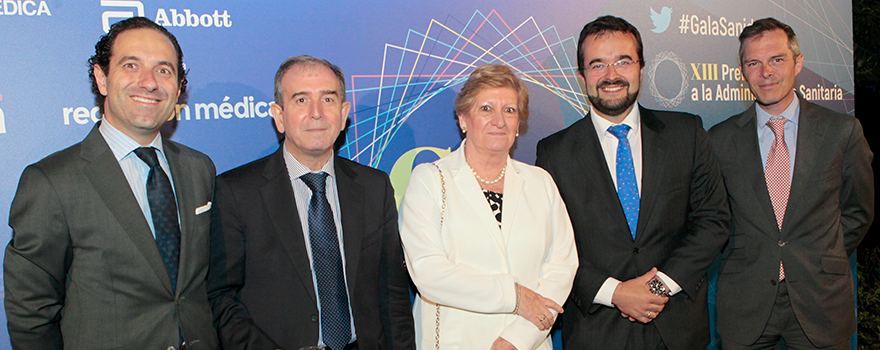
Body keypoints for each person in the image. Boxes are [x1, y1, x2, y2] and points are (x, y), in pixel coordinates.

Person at [4, 17, 218, 350]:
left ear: (178, 89)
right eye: (131, 65)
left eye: (164, 70)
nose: (148, 83)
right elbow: (30, 311)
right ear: (101, 78)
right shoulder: (52, 180)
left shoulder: (199, 168)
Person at [535, 15, 730, 350]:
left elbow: (713, 221)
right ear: (582, 77)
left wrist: (658, 287)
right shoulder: (554, 153)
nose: (611, 75)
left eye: (623, 61)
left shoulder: (687, 134)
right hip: (596, 331)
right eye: (598, 65)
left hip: (677, 327)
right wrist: (617, 293)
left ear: (642, 68)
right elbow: (550, 245)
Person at [207, 55, 415, 350]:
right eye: (301, 100)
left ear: (343, 114)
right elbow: (220, 298)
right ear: (279, 116)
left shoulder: (374, 186)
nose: (316, 113)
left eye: (328, 100)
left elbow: (393, 295)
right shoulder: (236, 192)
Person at [710, 18, 873, 350]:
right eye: (753, 62)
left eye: (776, 59)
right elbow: (714, 219)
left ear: (798, 62)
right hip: (745, 304)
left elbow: (859, 211)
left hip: (821, 301)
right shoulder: (718, 140)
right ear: (742, 70)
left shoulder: (842, 131)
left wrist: (821, 254)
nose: (765, 72)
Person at [399, 64, 578, 350]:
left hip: (528, 343)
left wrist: (517, 339)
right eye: (486, 109)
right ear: (463, 119)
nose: (499, 120)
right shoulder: (430, 179)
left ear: (519, 123)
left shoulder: (540, 182)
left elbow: (562, 267)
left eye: (509, 110)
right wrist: (514, 296)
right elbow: (428, 272)